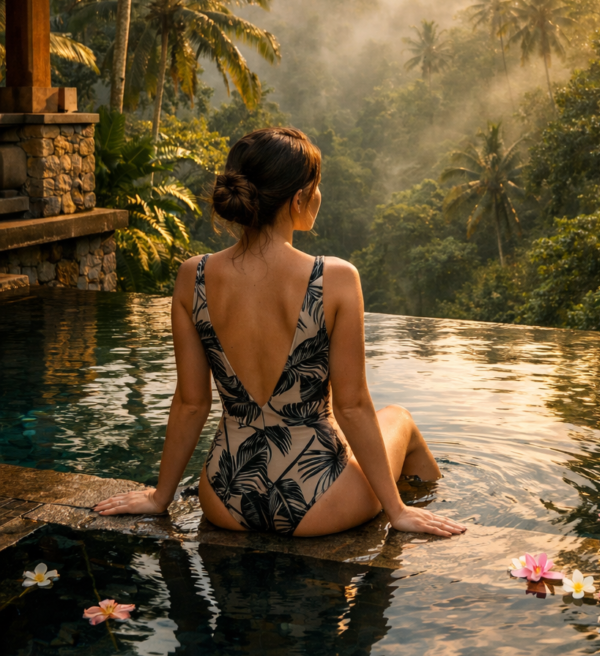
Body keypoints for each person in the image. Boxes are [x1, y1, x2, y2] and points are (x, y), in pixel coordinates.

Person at [95, 126, 466, 539]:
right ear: (299, 198)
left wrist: (160, 498)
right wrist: (394, 511)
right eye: (317, 186)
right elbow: (353, 405)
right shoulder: (336, 279)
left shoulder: (193, 276)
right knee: (398, 418)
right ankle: (427, 508)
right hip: (319, 502)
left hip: (225, 497)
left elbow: (190, 403)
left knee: (336, 430)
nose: (320, 196)